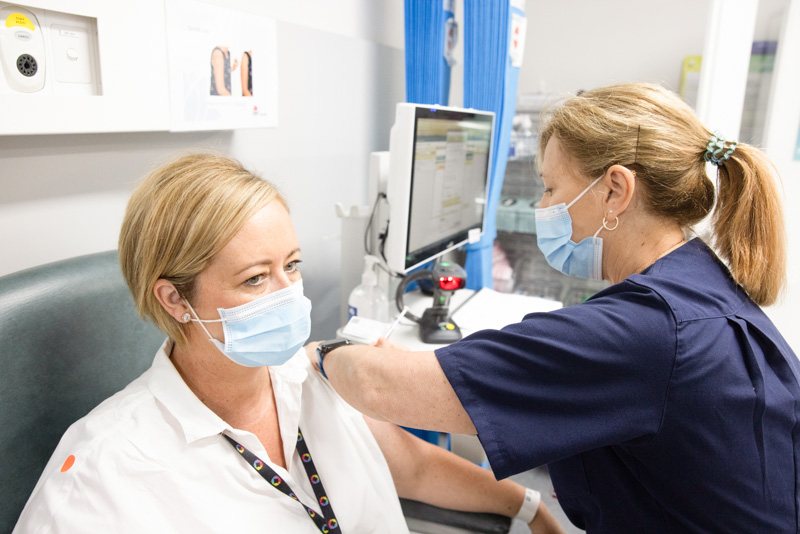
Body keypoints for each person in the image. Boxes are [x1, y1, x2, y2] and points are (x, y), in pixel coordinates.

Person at [309, 82, 800, 533]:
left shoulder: (645, 332)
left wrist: (320, 354)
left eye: (550, 188)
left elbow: (379, 385)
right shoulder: (698, 281)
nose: (542, 205)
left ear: (615, 190)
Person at [13, 153, 565, 534]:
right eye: (256, 279)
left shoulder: (315, 375)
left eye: (292, 266)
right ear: (175, 300)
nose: (289, 297)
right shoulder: (100, 475)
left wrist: (528, 507)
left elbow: (413, 467)